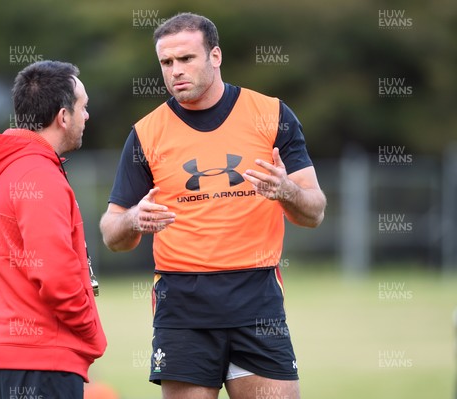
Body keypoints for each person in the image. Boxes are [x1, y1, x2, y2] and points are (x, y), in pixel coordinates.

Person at [100, 12, 326, 399]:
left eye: (186, 59)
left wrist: (285, 189)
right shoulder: (146, 132)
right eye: (166, 63)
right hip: (182, 303)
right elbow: (111, 232)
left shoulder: (270, 114)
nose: (175, 71)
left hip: (256, 296)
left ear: (215, 56)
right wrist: (135, 219)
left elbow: (315, 211)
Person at [0, 60, 107, 399]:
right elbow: (57, 276)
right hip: (42, 359)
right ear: (63, 117)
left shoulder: (6, 169)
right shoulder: (38, 175)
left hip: (6, 355)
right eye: (82, 107)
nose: (86, 116)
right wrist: (90, 329)